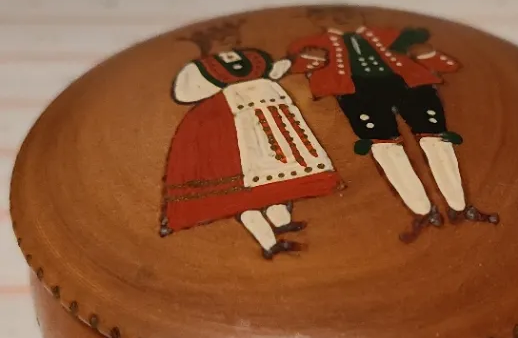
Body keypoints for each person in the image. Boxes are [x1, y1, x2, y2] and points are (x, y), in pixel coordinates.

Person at [288, 21, 498, 241]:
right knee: (386, 149)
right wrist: (315, 60)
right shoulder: (313, 42)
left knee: (436, 140)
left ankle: (459, 206)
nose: (339, 18)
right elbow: (296, 63)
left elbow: (421, 42)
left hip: (410, 84)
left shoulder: (385, 33)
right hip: (358, 93)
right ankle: (423, 211)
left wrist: (421, 50)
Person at [161, 47, 342, 258]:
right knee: (245, 187)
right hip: (231, 122)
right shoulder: (199, 68)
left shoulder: (253, 57)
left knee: (276, 168)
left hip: (269, 116)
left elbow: (274, 70)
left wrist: (296, 63)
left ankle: (281, 221)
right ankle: (268, 242)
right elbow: (185, 93)